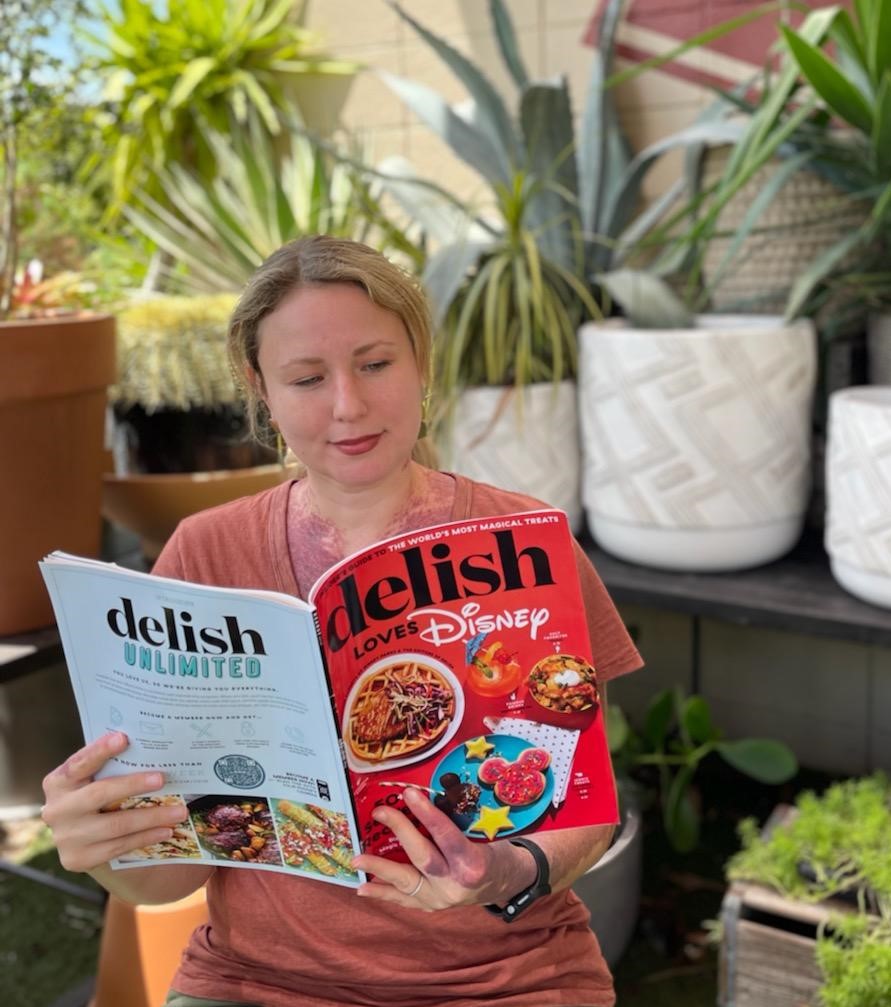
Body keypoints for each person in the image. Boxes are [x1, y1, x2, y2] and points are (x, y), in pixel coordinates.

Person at [41, 235, 643, 1007]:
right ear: (260, 389)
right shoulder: (206, 550)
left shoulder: (523, 537)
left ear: (420, 361)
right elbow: (175, 874)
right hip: (259, 979)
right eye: (305, 377)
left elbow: (584, 802)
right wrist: (102, 848)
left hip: (502, 977)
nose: (347, 406)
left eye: (375, 363)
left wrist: (505, 872)